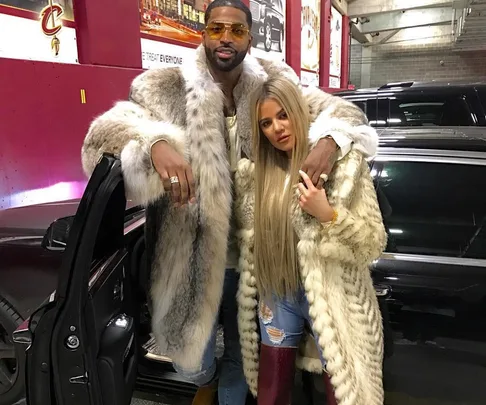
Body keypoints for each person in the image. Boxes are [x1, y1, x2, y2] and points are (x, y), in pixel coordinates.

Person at [80, 1, 379, 404]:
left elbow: (346, 114)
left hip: (254, 265)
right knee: (192, 364)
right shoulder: (163, 87)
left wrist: (330, 140)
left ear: (249, 38)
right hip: (189, 263)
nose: (225, 38)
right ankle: (206, 383)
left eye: (236, 31)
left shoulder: (273, 81)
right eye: (217, 29)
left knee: (243, 357)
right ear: (202, 33)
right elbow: (101, 137)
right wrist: (156, 144)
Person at [234, 77, 387, 405]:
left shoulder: (343, 165)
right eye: (266, 122)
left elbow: (373, 243)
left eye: (283, 115)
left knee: (343, 395)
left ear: (300, 112)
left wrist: (328, 215)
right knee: (271, 394)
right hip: (277, 293)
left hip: (333, 295)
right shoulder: (255, 174)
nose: (277, 127)